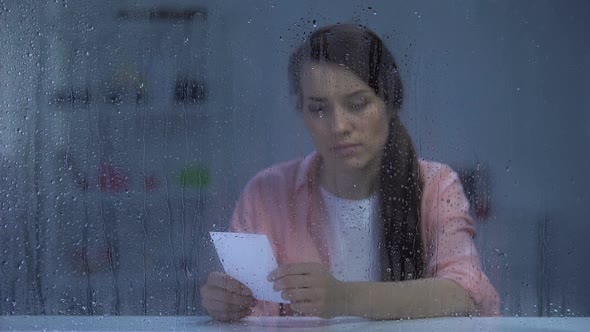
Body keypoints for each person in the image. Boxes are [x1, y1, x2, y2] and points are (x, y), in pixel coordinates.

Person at [200, 24, 500, 321]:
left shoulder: (434, 185)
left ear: (390, 102)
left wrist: (343, 297)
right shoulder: (267, 192)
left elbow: (466, 293)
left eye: (357, 104)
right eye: (319, 109)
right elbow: (256, 315)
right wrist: (228, 304)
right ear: (301, 110)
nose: (339, 126)